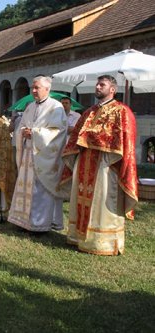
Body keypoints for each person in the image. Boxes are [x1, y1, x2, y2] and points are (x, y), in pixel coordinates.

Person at [60, 75, 138, 255]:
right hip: (84, 161)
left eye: (102, 84)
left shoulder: (121, 111)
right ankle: (78, 237)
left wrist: (91, 138)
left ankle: (103, 242)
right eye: (97, 84)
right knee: (81, 198)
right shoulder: (89, 112)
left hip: (105, 164)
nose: (97, 87)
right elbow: (75, 136)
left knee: (102, 201)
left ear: (112, 89)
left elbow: (124, 139)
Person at [8, 76, 68, 232]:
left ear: (47, 89)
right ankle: (23, 221)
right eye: (32, 88)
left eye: (37, 88)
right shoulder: (30, 107)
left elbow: (58, 131)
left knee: (40, 191)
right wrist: (23, 133)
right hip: (28, 154)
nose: (33, 91)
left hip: (44, 156)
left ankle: (40, 225)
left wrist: (34, 133)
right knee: (27, 188)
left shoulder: (56, 107)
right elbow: (20, 127)